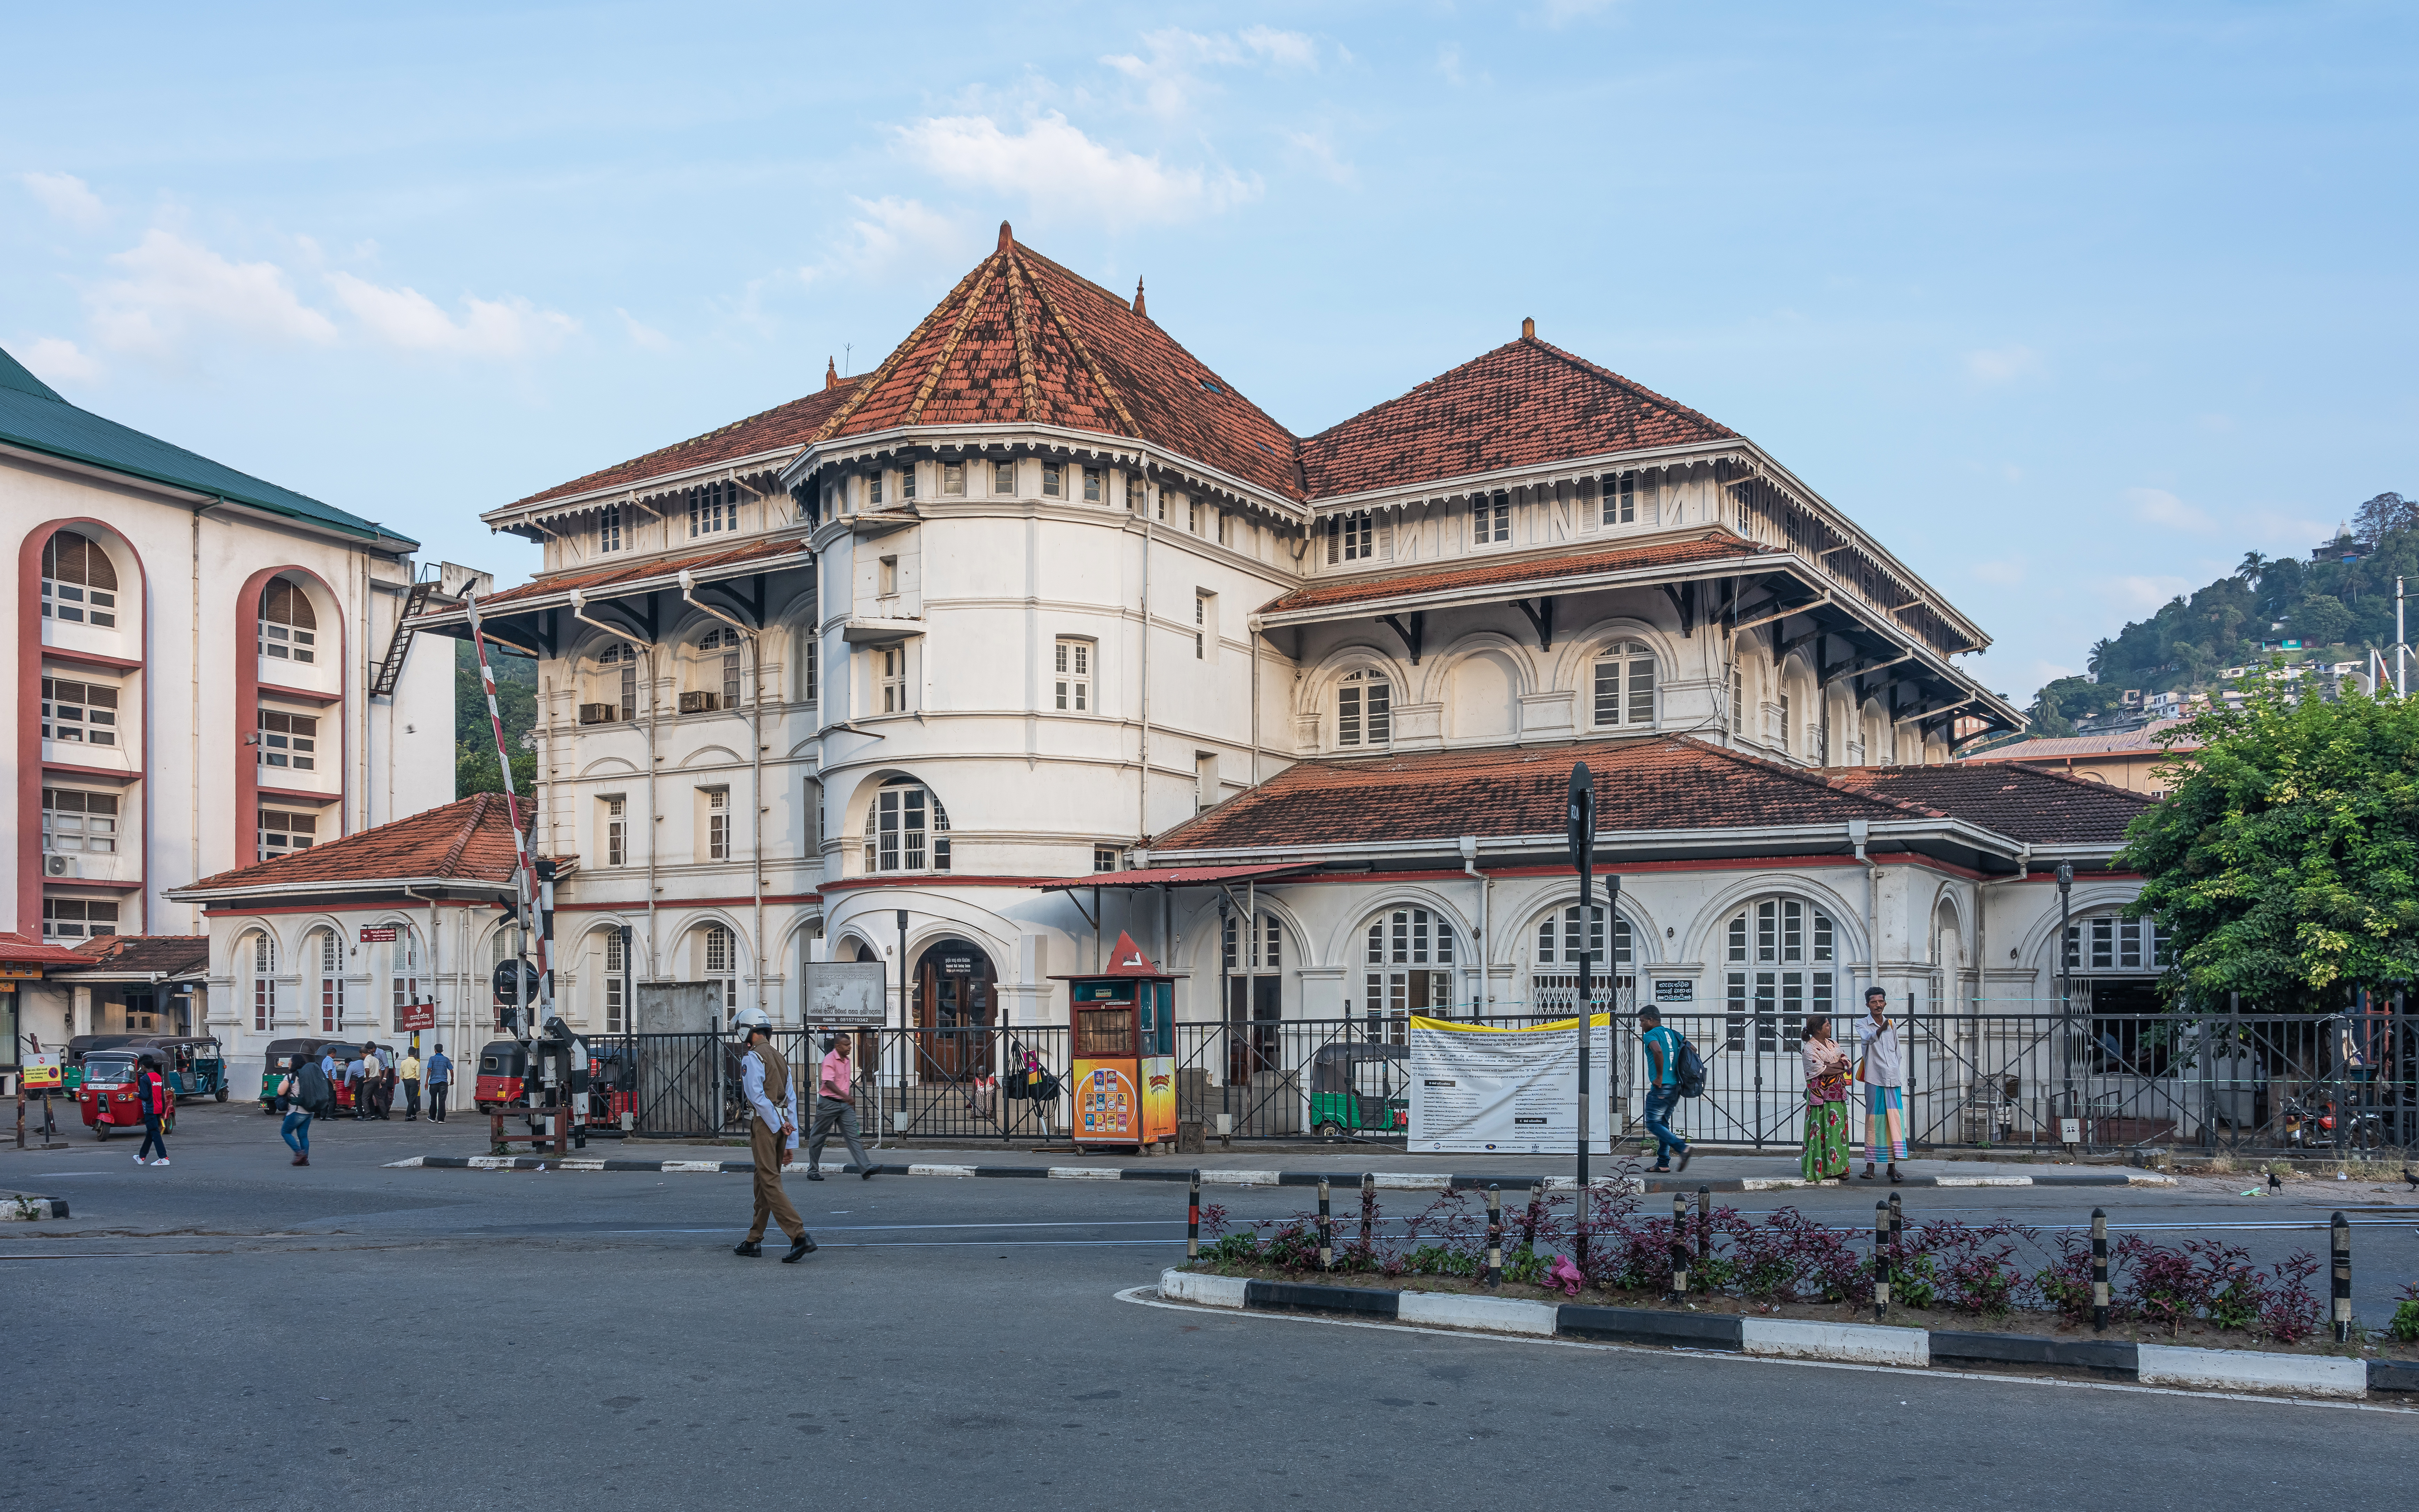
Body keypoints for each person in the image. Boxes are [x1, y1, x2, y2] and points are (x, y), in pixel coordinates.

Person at [730, 1009, 814, 1263]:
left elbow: (757, 1096)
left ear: (747, 1031)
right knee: (762, 1180)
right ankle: (754, 1239)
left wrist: (778, 1126)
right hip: (781, 1125)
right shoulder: (780, 1058)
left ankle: (799, 1236)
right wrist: (789, 1140)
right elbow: (791, 1100)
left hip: (766, 1125)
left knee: (769, 1181)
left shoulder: (753, 1057)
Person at [806, 1035, 875, 1182]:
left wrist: (847, 1100)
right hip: (829, 1103)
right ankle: (813, 1170)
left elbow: (843, 1083)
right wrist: (847, 1097)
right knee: (818, 1137)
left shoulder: (847, 1061)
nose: (850, 1047)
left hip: (844, 1105)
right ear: (837, 1046)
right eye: (846, 1045)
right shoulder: (830, 1060)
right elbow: (828, 1083)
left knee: (853, 1136)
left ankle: (865, 1168)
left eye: (850, 1044)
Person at [1856, 987, 1907, 1182]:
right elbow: (1868, 1038)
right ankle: (1870, 1167)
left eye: (1881, 1001)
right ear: (1867, 1005)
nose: (1878, 1005)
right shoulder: (1862, 1024)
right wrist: (1879, 1030)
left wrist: (1894, 1068)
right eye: (1874, 1002)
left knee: (1893, 1121)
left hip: (1893, 1079)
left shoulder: (1892, 1024)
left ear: (1885, 1003)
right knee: (1874, 1121)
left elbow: (1897, 1051)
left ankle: (1892, 1167)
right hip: (1874, 1078)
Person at [1637, 1006, 1691, 1174]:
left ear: (1651, 1020)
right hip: (1675, 1087)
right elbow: (1692, 1049)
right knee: (1663, 1125)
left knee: (1653, 1124)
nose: (1641, 1025)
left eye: (1642, 1021)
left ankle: (1682, 1148)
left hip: (1662, 1087)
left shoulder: (1651, 1035)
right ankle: (1663, 1163)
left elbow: (1658, 1050)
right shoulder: (1674, 1034)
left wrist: (1660, 1076)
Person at [1799, 1015, 1852, 1183]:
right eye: (1827, 1025)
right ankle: (1822, 1168)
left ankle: (1840, 1168)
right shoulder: (1809, 1049)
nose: (1830, 1027)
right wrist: (1836, 1067)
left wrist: (1831, 1066)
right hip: (1821, 1097)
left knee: (1838, 1131)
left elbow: (1847, 1063)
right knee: (1821, 1130)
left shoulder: (1833, 1044)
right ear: (1818, 1029)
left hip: (1837, 1094)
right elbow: (1821, 1070)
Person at [134, 1055, 171, 1166]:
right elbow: (162, 1096)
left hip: (150, 1110)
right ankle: (142, 1157)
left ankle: (164, 1158)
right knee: (150, 1133)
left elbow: (145, 1096)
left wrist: (137, 1095)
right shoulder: (159, 1077)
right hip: (158, 1109)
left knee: (155, 1134)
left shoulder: (144, 1079)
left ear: (143, 1067)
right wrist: (163, 1112)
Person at [278, 1062, 315, 1166]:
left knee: (285, 1132)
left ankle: (299, 1153)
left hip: (297, 1111)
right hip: (310, 1110)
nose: (289, 1064)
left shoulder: (291, 1077)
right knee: (303, 1136)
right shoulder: (310, 1076)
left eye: (290, 1062)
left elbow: (281, 1092)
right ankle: (305, 1160)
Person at [425, 1044, 452, 1122]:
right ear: (442, 1051)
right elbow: (451, 1070)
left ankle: (432, 1117)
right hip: (443, 1083)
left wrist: (427, 1081)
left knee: (433, 1100)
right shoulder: (446, 1059)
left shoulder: (432, 1059)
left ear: (435, 1051)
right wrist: (452, 1080)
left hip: (433, 1083)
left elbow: (429, 1069)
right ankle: (441, 1119)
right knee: (442, 1101)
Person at [399, 1048, 422, 1122]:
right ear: (415, 1054)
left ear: (408, 1053)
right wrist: (418, 1082)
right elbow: (418, 1074)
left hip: (406, 1081)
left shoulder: (403, 1062)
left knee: (409, 1098)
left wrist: (403, 1079)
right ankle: (408, 1116)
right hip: (414, 1081)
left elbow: (401, 1073)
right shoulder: (417, 1063)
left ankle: (414, 1114)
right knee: (412, 1099)